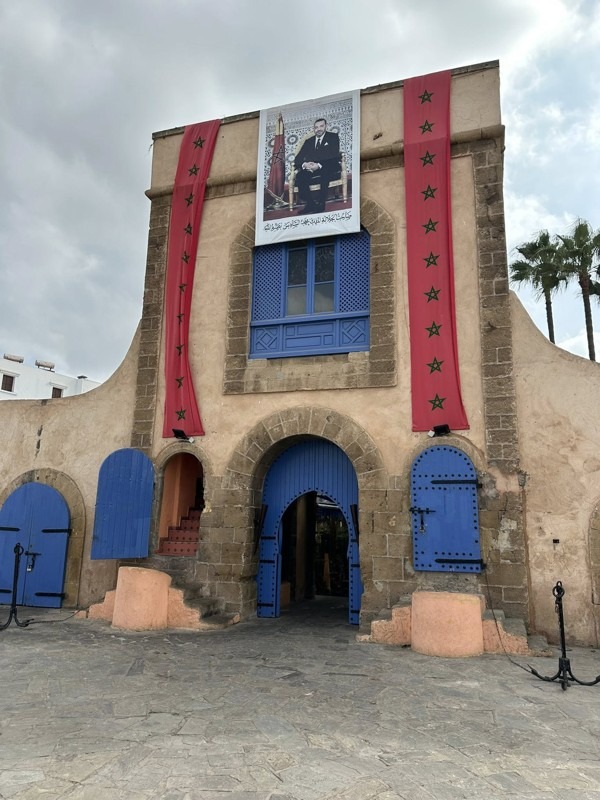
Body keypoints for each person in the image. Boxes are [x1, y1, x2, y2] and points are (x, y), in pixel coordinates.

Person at [293, 118, 341, 214]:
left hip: (328, 165)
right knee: (300, 176)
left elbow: (334, 155)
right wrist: (305, 164)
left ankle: (321, 203)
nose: (318, 129)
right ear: (313, 129)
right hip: (312, 167)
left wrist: (319, 165)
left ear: (326, 126)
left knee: (325, 172)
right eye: (316, 127)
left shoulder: (333, 137)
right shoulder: (309, 141)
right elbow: (298, 158)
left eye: (321, 126)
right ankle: (310, 204)